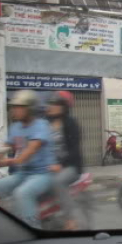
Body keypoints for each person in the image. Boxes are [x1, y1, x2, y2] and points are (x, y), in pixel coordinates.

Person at [0, 90, 55, 228]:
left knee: (22, 193)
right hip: (23, 173)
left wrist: (1, 163)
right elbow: (6, 146)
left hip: (42, 174)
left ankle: (33, 229)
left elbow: (30, 151)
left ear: (29, 109)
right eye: (14, 107)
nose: (14, 110)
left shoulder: (41, 126)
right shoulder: (15, 127)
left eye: (19, 107)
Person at [46, 91, 84, 230]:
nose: (52, 106)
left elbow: (74, 150)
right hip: (48, 164)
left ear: (64, 107)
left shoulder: (71, 124)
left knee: (58, 182)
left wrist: (60, 165)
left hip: (70, 166)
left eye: (56, 104)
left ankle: (70, 219)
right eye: (51, 103)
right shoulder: (46, 123)